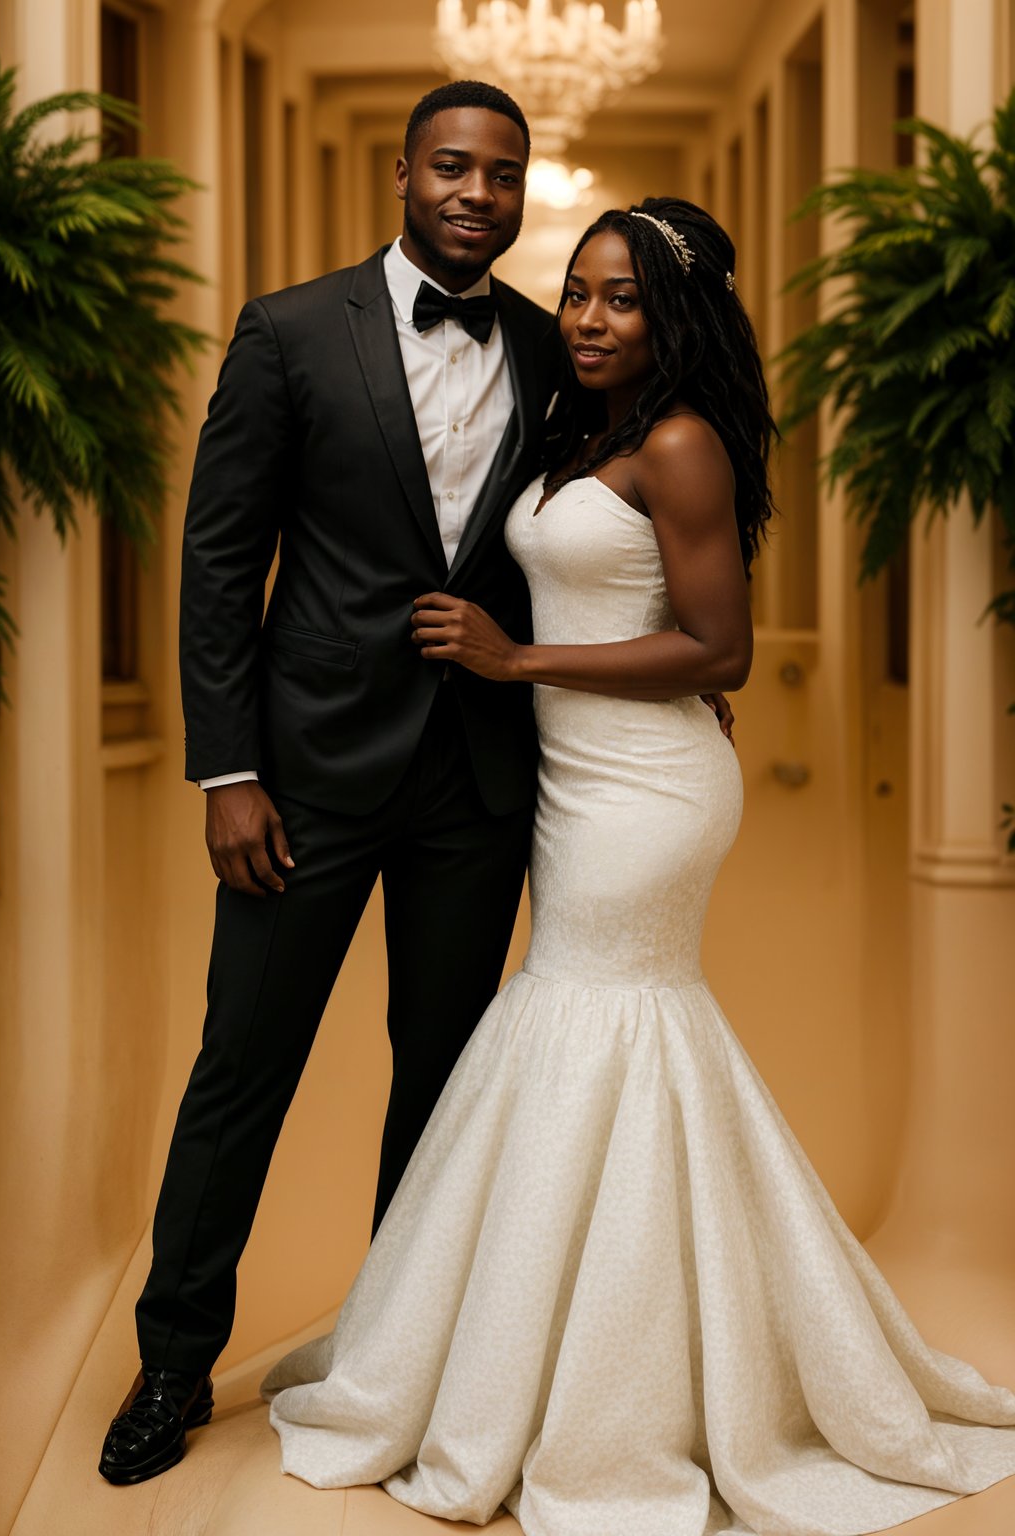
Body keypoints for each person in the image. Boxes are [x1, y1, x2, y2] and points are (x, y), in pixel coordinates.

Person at [261, 200, 1015, 1536]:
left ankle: (611, 1396)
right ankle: (585, 1357)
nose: (591, 320)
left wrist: (518, 658)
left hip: (647, 792)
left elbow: (719, 650)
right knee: (607, 1037)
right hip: (573, 778)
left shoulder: (680, 442)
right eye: (579, 293)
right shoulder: (583, 428)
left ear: (678, 319)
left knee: (593, 1019)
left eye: (623, 300)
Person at [97, 79, 570, 1488]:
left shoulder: (554, 353)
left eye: (501, 174)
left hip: (476, 784)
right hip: (301, 781)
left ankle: (402, 1359)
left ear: (521, 190)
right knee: (244, 1067)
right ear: (406, 174)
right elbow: (220, 558)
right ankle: (173, 1363)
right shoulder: (293, 330)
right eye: (450, 168)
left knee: (442, 1080)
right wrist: (229, 770)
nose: (475, 194)